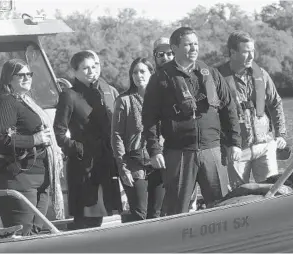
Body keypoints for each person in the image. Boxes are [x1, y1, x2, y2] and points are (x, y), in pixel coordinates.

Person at [142, 27, 241, 216]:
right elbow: (149, 118)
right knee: (176, 209)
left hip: (212, 150)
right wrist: (154, 150)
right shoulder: (160, 79)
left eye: (195, 44)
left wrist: (235, 143)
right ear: (175, 48)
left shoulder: (211, 73)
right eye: (188, 44)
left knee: (221, 205)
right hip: (179, 153)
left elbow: (229, 109)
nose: (193, 48)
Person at [0, 59, 64, 236]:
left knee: (34, 232)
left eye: (29, 74)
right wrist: (34, 139)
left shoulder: (26, 101)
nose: (27, 78)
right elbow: (0, 143)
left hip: (40, 178)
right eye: (21, 75)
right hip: (17, 178)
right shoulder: (4, 101)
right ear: (8, 79)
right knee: (23, 236)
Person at [53, 50, 121, 229]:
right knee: (85, 218)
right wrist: (79, 149)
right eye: (85, 68)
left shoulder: (106, 91)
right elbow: (59, 132)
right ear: (75, 72)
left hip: (104, 162)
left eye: (94, 66)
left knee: (100, 215)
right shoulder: (69, 95)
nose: (91, 71)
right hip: (83, 166)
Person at [217, 30, 287, 188]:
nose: (251, 56)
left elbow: (275, 103)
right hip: (236, 151)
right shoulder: (218, 78)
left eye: (252, 51)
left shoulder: (261, 74)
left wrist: (280, 134)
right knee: (238, 194)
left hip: (264, 145)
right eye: (246, 52)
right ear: (233, 53)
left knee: (272, 191)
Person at [111, 57, 165, 222]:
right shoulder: (124, 100)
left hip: (159, 160)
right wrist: (123, 167)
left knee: (156, 213)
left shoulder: (161, 98)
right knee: (139, 214)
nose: (138, 75)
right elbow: (116, 135)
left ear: (151, 73)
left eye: (142, 71)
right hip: (134, 161)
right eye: (134, 72)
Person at [153, 37, 198, 212]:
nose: (165, 57)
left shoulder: (190, 78)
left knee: (187, 195)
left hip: (185, 148)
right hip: (157, 152)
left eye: (170, 53)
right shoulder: (150, 82)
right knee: (165, 199)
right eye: (160, 54)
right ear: (154, 57)